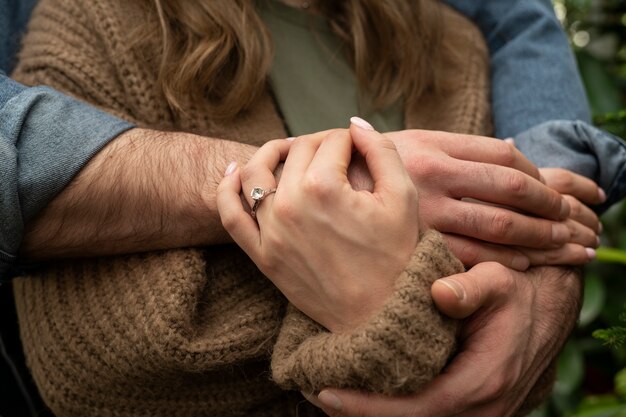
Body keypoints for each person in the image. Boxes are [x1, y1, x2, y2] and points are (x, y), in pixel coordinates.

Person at [1, 0, 625, 416]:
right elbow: (106, 364)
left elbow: (523, 279)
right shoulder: (94, 23)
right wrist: (423, 298)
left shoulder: (452, 44)